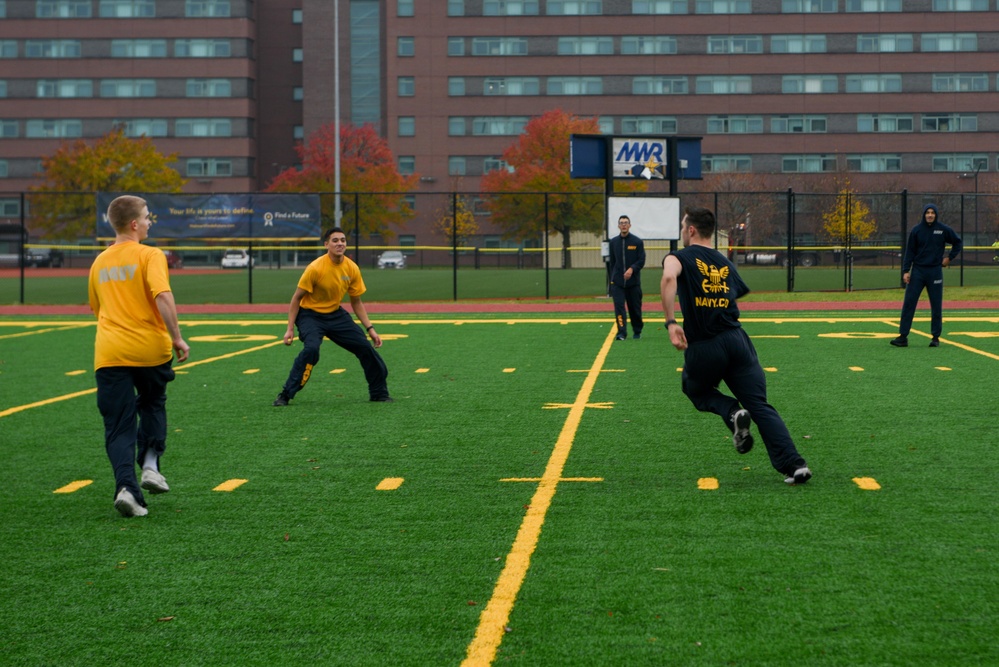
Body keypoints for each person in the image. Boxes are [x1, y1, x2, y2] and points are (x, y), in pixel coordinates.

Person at [660, 206, 811, 485]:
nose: (682, 231)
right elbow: (735, 291)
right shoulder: (724, 263)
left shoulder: (678, 257)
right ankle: (795, 465)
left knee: (695, 389)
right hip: (738, 341)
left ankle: (731, 412)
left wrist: (671, 322)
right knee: (761, 406)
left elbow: (669, 277)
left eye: (683, 226)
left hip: (705, 344)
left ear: (691, 230)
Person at [88, 195, 190, 518]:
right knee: (153, 401)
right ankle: (149, 464)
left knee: (118, 426)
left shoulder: (99, 262)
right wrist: (177, 337)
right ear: (134, 224)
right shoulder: (150, 254)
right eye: (147, 217)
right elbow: (162, 295)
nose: (149, 221)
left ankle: (126, 490)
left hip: (109, 352)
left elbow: (97, 309)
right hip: (149, 349)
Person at [273, 227, 391, 406]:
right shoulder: (315, 268)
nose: (340, 244)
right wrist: (289, 329)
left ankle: (379, 394)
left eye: (343, 240)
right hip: (310, 315)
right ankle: (285, 395)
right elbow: (296, 299)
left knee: (365, 348)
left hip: (335, 314)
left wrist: (370, 329)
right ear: (326, 244)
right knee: (311, 350)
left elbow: (356, 302)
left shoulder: (351, 268)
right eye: (335, 240)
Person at [891, 204, 963, 348]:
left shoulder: (942, 230)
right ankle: (903, 336)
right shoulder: (916, 230)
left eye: (932, 213)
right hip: (918, 271)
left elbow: (958, 242)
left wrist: (949, 258)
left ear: (936, 215)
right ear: (924, 215)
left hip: (935, 271)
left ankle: (935, 337)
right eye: (927, 213)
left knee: (936, 305)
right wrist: (906, 271)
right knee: (909, 303)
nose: (930, 215)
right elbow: (909, 252)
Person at [608, 215, 646, 340]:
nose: (624, 225)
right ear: (618, 226)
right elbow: (612, 263)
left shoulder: (637, 242)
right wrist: (613, 279)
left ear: (630, 225)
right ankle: (621, 332)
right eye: (621, 223)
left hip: (633, 284)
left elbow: (641, 260)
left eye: (626, 222)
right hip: (618, 284)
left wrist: (632, 269)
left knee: (634, 309)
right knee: (619, 308)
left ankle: (637, 330)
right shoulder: (613, 242)